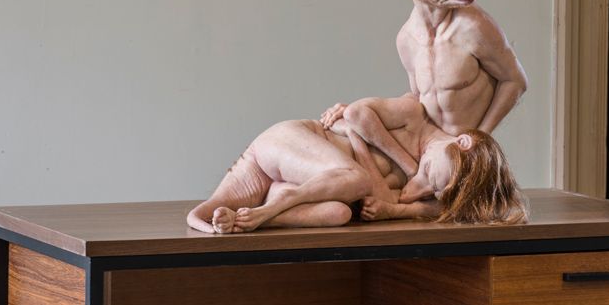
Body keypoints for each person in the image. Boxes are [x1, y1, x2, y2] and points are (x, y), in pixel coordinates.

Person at [320, 0, 527, 174]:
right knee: (344, 134)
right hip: (425, 146)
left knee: (359, 180)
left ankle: (399, 195)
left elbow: (515, 81)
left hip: (459, 153)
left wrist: (479, 138)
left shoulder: (475, 27)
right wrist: (359, 108)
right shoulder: (406, 38)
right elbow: (421, 100)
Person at [186, 92, 527, 234]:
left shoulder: (440, 186)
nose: (417, 188)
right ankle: (273, 205)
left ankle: (263, 212)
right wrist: (408, 166)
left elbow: (417, 206)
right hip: (287, 143)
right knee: (357, 180)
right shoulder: (412, 115)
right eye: (425, 173)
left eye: (430, 187)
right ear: (462, 143)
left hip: (300, 179)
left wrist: (359, 143)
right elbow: (356, 114)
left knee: (339, 214)